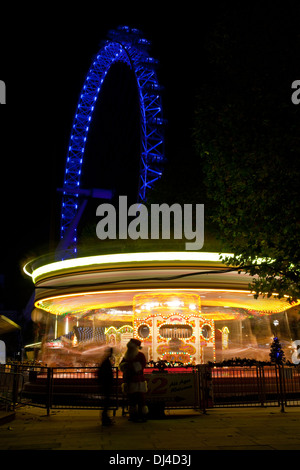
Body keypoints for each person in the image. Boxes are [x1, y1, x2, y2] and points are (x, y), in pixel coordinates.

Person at [119, 338, 148, 422]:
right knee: (132, 399)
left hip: (138, 381)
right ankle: (134, 415)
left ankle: (142, 415)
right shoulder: (127, 356)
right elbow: (121, 365)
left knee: (140, 399)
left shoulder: (140, 355)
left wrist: (130, 366)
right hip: (130, 380)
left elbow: (141, 366)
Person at [98, 347, 114, 426]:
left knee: (107, 401)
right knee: (107, 401)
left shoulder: (105, 361)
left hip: (105, 383)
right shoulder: (106, 362)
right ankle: (105, 418)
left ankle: (105, 417)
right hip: (106, 383)